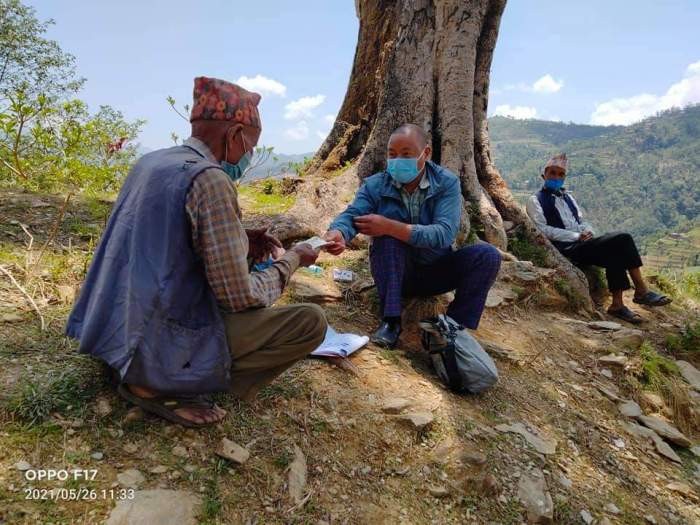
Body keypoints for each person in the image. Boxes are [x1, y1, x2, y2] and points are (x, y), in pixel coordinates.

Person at [66, 77, 327, 427]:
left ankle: (146, 369)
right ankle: (163, 384)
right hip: (155, 340)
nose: (248, 156)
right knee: (310, 322)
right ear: (235, 136)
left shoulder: (151, 162)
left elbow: (163, 241)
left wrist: (241, 239)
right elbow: (240, 296)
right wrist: (293, 259)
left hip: (113, 327)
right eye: (250, 145)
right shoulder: (211, 180)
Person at [323, 124, 502, 348]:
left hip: (437, 269)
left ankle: (453, 327)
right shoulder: (376, 184)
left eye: (406, 154)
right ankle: (391, 322)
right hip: (395, 273)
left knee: (487, 255)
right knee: (386, 240)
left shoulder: (446, 183)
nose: (397, 160)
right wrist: (339, 232)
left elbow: (444, 234)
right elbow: (353, 214)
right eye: (392, 154)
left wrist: (390, 226)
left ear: (425, 153)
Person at [526, 153, 671, 324]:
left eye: (560, 174)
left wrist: (587, 232)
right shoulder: (535, 200)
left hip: (583, 243)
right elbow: (544, 230)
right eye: (552, 173)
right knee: (623, 238)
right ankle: (641, 291)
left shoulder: (568, 197)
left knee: (615, 251)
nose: (556, 177)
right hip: (567, 248)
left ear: (564, 177)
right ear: (544, 175)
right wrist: (576, 236)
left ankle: (617, 306)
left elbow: (580, 221)